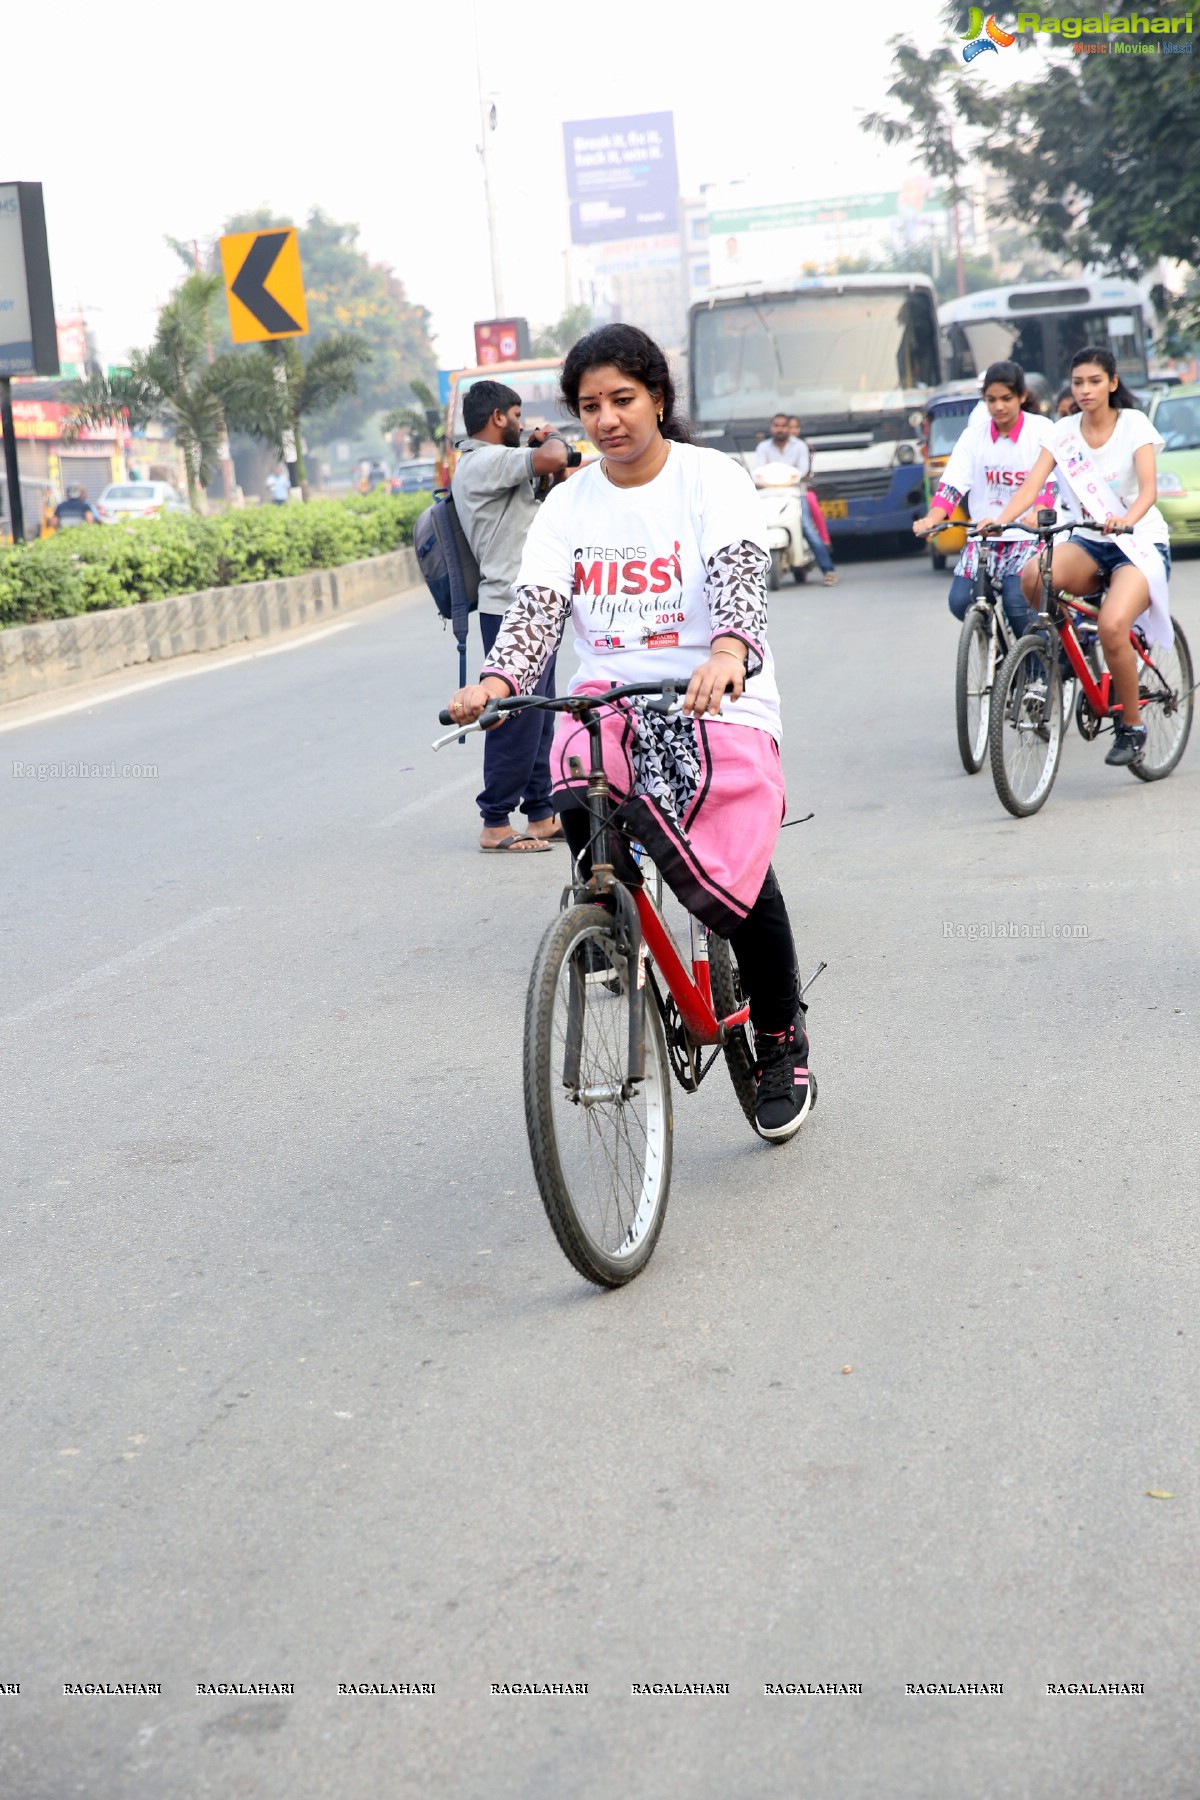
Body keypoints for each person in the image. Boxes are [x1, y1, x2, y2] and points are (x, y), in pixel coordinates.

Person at [446, 325, 816, 1141]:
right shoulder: (570, 503)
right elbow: (538, 613)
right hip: (611, 696)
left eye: (622, 399)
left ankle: (781, 1036)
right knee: (574, 764)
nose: (607, 419)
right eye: (589, 407)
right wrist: (498, 682)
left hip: (714, 694)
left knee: (738, 870)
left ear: (657, 398)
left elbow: (738, 587)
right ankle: (613, 922)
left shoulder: (710, 478)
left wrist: (727, 655)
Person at [979, 344, 1172, 768]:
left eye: (1094, 381)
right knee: (1033, 577)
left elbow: (1148, 491)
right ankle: (1072, 657)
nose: (1085, 390)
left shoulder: (1134, 424)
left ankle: (1133, 726)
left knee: (1112, 624)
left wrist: (1125, 520)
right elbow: (1030, 488)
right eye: (1078, 382)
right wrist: (1000, 519)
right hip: (1089, 541)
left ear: (1112, 384)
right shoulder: (1063, 431)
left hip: (1136, 542)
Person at [451, 378, 572, 853]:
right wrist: (551, 437)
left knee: (541, 716)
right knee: (513, 718)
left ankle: (541, 812)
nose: (521, 425)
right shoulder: (482, 462)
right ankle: (496, 821)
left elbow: (555, 478)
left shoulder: (499, 465)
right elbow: (553, 458)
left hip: (534, 605)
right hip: (508, 607)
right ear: (498, 416)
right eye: (517, 416)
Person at [911, 360, 1054, 640]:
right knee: (960, 602)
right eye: (991, 400)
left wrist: (1039, 511)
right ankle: (1000, 656)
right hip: (985, 537)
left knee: (1017, 604)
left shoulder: (1041, 430)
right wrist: (931, 519)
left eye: (1006, 399)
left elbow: (1048, 486)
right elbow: (951, 487)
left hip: (1027, 537)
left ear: (1022, 396)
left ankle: (1037, 674)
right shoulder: (972, 438)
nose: (998, 407)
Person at [755, 413, 838, 586]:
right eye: (776, 426)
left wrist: (790, 477)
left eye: (783, 426)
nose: (780, 429)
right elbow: (759, 470)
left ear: (788, 428)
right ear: (772, 428)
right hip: (768, 495)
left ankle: (828, 570)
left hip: (795, 493)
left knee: (807, 527)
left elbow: (802, 471)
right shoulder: (763, 447)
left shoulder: (799, 446)